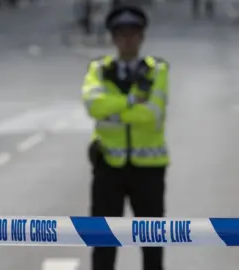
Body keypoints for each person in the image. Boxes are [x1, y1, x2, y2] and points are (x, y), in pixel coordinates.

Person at [81, 5, 170, 270]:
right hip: (108, 166)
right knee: (103, 243)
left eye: (133, 34)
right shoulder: (98, 69)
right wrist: (131, 101)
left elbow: (152, 113)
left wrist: (114, 111)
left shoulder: (157, 70)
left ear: (142, 37)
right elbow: (93, 106)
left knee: (152, 244)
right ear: (112, 38)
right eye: (121, 34)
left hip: (149, 170)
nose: (127, 39)